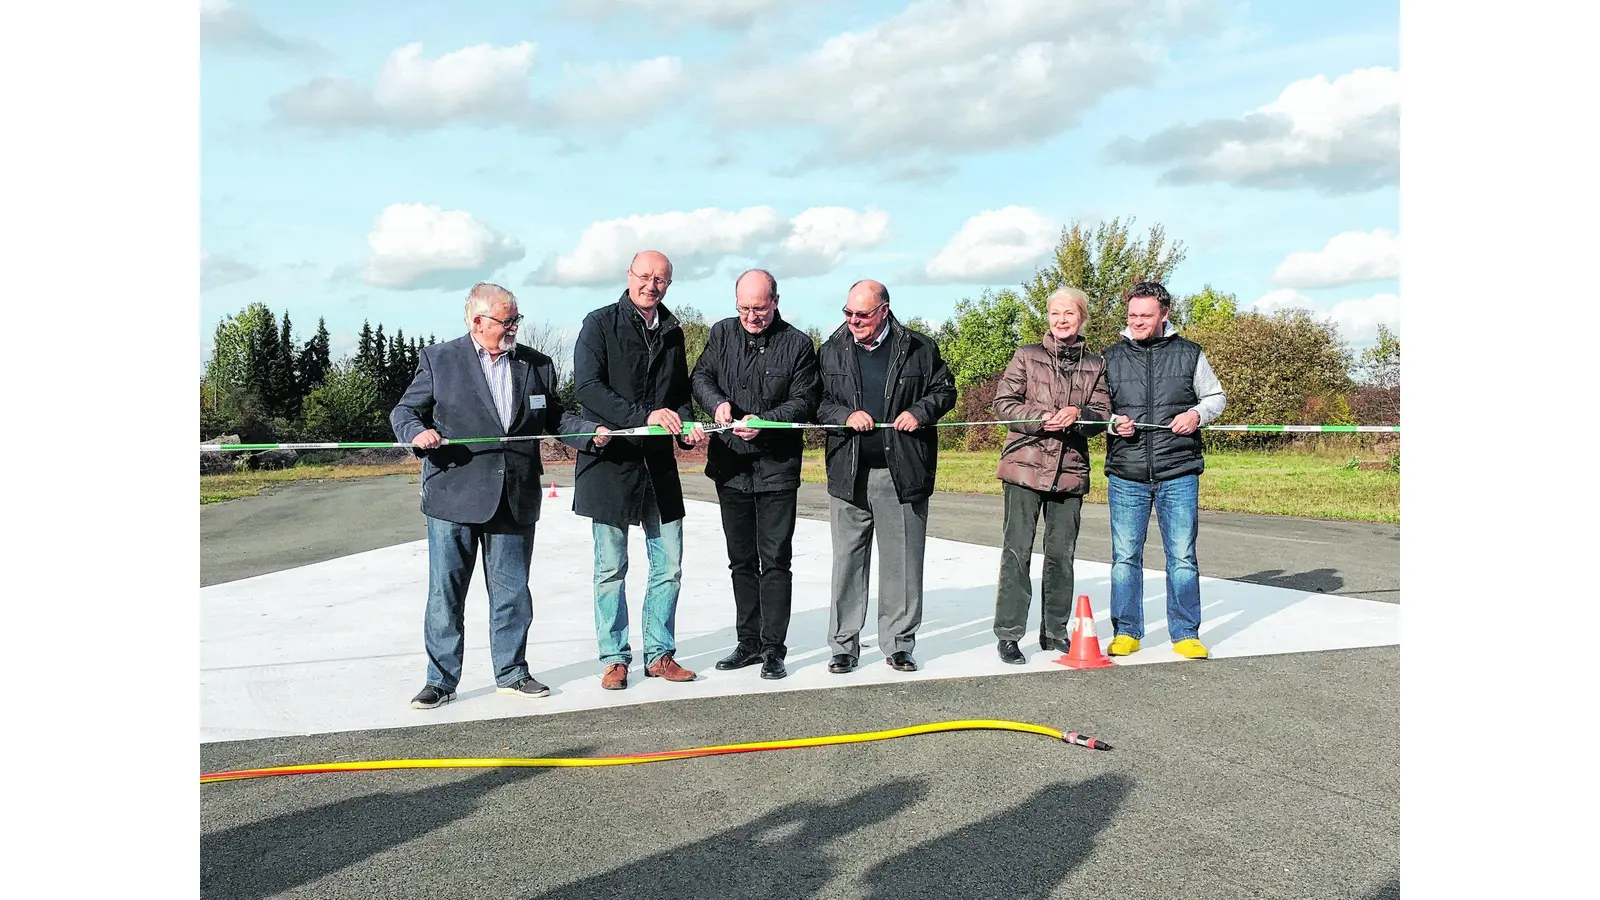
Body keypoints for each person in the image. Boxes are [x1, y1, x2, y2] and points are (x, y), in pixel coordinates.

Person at [390, 282, 611, 710]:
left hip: (515, 497)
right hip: (453, 497)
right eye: (505, 321)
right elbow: (404, 411)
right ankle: (441, 680)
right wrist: (417, 434)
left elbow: (555, 417)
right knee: (446, 594)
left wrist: (591, 434)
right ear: (477, 321)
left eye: (516, 320)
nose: (512, 328)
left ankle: (511, 672)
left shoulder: (537, 365)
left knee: (512, 592)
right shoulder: (439, 360)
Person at [572, 250, 710, 691]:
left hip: (659, 468)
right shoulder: (598, 323)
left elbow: (680, 394)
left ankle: (659, 653)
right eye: (645, 276)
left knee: (668, 565)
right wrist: (644, 416)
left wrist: (685, 428)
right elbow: (588, 388)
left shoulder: (672, 330)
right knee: (610, 569)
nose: (652, 285)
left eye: (662, 280)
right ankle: (614, 658)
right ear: (629, 275)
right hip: (610, 466)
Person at [816, 279, 956, 674]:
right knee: (847, 562)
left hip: (903, 471)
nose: (853, 321)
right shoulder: (831, 350)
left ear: (885, 310)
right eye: (848, 313)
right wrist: (844, 416)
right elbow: (816, 402)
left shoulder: (919, 348)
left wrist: (921, 412)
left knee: (903, 563)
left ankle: (898, 643)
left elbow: (946, 391)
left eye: (862, 314)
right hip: (849, 471)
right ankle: (843, 645)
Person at [690, 269, 821, 681]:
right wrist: (717, 405)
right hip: (730, 468)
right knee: (741, 561)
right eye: (744, 308)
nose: (752, 316)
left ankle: (773, 648)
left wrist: (766, 422)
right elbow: (700, 377)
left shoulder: (798, 344)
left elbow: (806, 400)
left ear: (775, 302)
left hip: (776, 470)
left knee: (776, 561)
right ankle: (747, 642)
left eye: (759, 308)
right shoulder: (721, 334)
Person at [1102, 280, 1227, 660]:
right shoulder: (1110, 356)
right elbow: (1095, 407)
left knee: (1183, 557)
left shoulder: (1190, 354)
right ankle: (1127, 631)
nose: (1137, 321)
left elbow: (1216, 397)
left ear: (1164, 314)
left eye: (1145, 315)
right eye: (1132, 315)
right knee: (1125, 557)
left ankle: (1186, 632)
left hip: (1179, 471)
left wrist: (1195, 415)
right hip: (1127, 472)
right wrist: (1111, 422)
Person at [989, 287, 1112, 664]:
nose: (1062, 320)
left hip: (1070, 472)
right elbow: (1003, 404)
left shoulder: (1097, 364)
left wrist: (1079, 414)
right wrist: (1040, 419)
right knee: (1017, 553)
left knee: (1061, 555)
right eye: (1056, 313)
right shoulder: (1027, 356)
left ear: (1082, 319)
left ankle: (1055, 631)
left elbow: (1103, 413)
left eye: (1069, 314)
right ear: (1048, 317)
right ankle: (1009, 634)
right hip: (1024, 468)